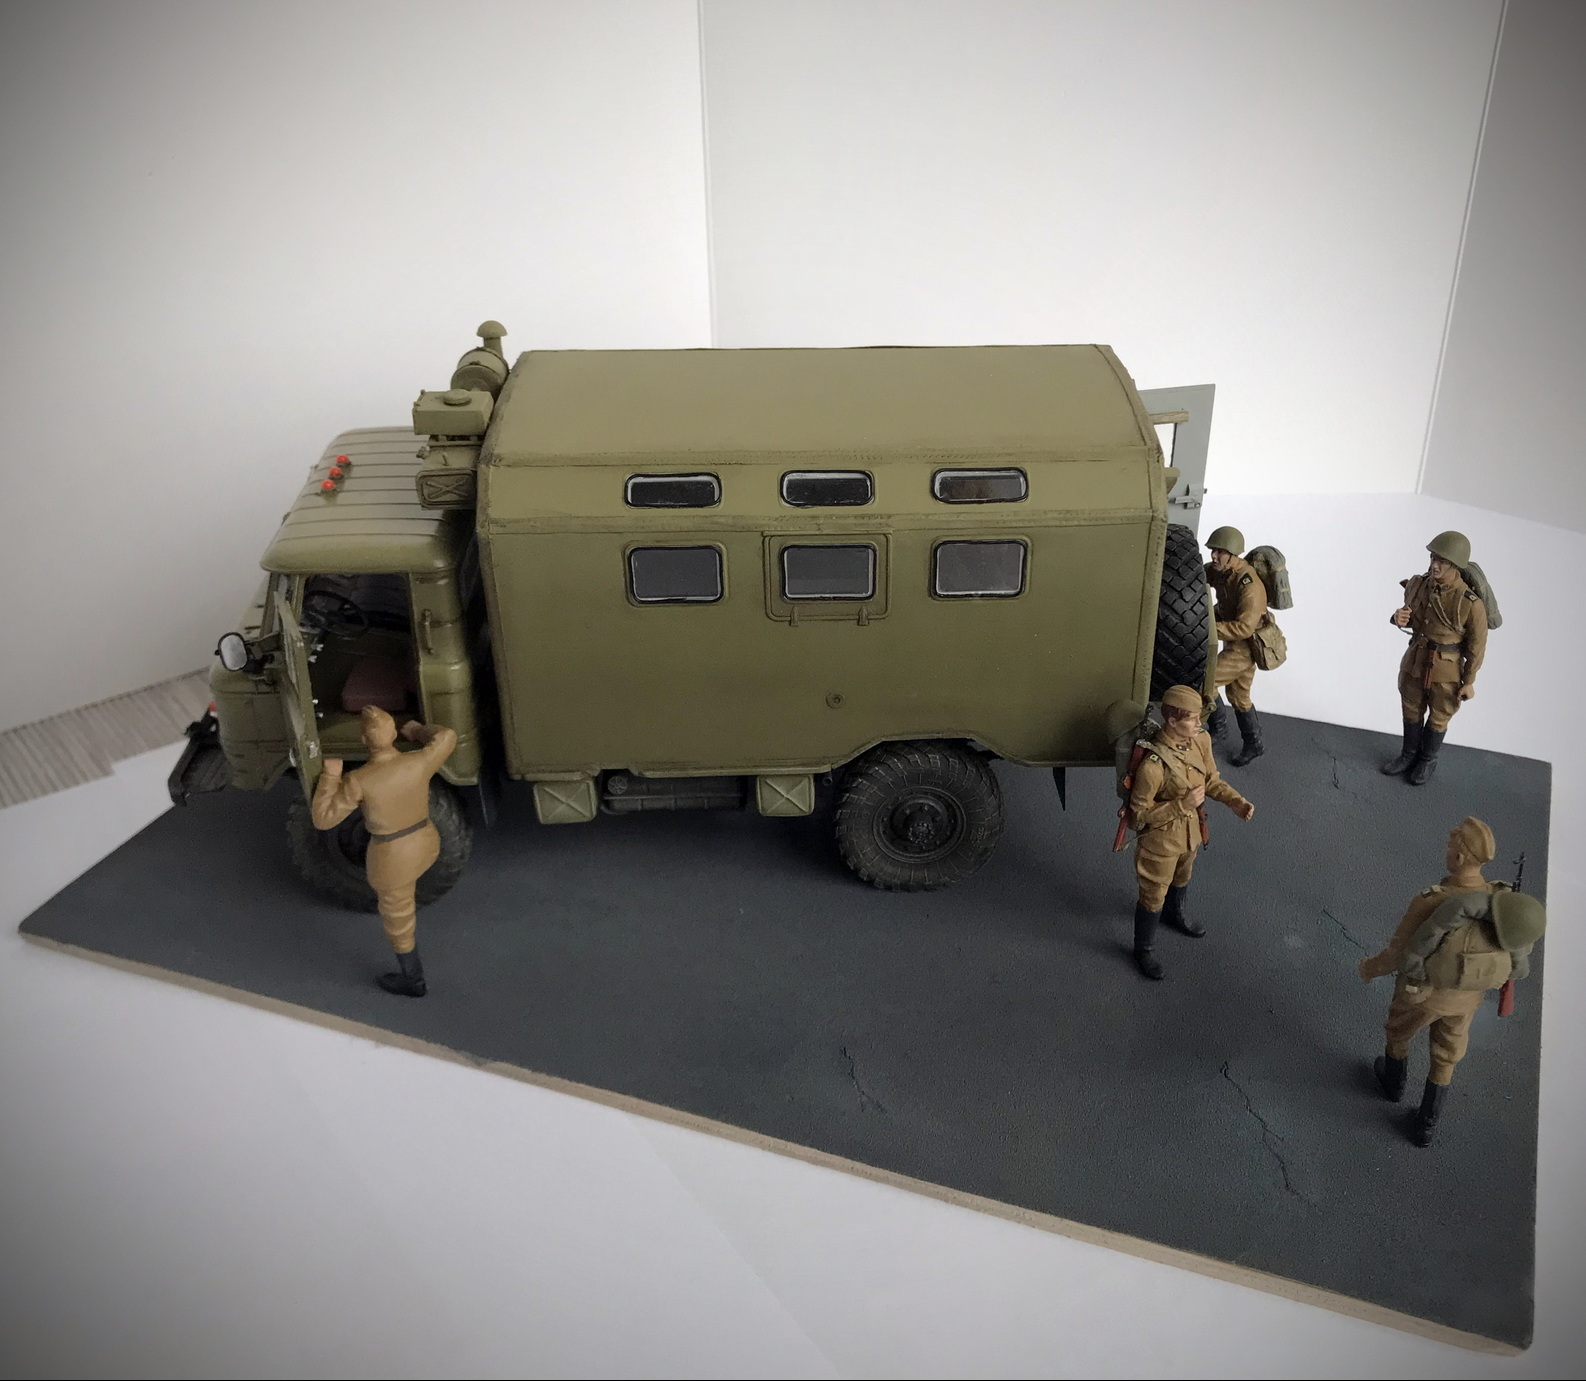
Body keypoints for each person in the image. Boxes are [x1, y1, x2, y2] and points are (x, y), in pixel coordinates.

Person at [1357, 817, 1536, 1146]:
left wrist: (1371, 968)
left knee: (1398, 1033)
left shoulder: (1433, 900)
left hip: (1421, 994)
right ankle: (1426, 1124)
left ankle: (1392, 1084)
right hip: (1467, 998)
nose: (1447, 853)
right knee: (1447, 1054)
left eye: (1450, 848)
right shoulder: (1502, 903)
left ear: (1460, 857)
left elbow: (1399, 952)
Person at [310, 706, 457, 997]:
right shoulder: (418, 761)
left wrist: (330, 777)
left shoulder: (359, 780)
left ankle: (413, 980)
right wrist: (417, 731)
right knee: (405, 900)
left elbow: (323, 819)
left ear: (365, 740)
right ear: (392, 734)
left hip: (393, 858)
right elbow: (448, 737)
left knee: (399, 920)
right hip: (426, 843)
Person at [1126, 684, 1255, 980]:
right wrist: (1179, 805)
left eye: (1199, 717)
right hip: (1160, 841)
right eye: (1192, 719)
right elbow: (1138, 817)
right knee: (1153, 894)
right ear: (1172, 721)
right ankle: (1143, 948)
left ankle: (1175, 913)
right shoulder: (1153, 767)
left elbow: (1211, 781)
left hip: (1192, 833)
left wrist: (1234, 800)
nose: (1199, 723)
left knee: (1183, 876)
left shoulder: (1200, 742)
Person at [1382, 531, 1488, 785]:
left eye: (1442, 561)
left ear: (1456, 565)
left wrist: (1469, 680)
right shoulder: (1419, 585)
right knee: (1411, 706)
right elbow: (1414, 618)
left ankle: (1427, 760)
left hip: (1447, 669)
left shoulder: (1470, 603)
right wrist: (1398, 618)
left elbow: (1477, 646)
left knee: (1440, 714)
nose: (1435, 565)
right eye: (1433, 558)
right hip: (1416, 659)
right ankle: (1408, 755)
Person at [1202, 526, 1269, 767]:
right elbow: (1199, 574)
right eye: (1213, 551)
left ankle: (1218, 730)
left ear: (1234, 555)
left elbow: (1244, 628)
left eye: (1220, 552)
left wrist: (1207, 627)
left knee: (1205, 680)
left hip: (1245, 648)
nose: (1214, 556)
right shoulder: (1221, 571)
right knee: (1240, 697)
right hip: (1234, 642)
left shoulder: (1249, 585)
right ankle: (1254, 744)